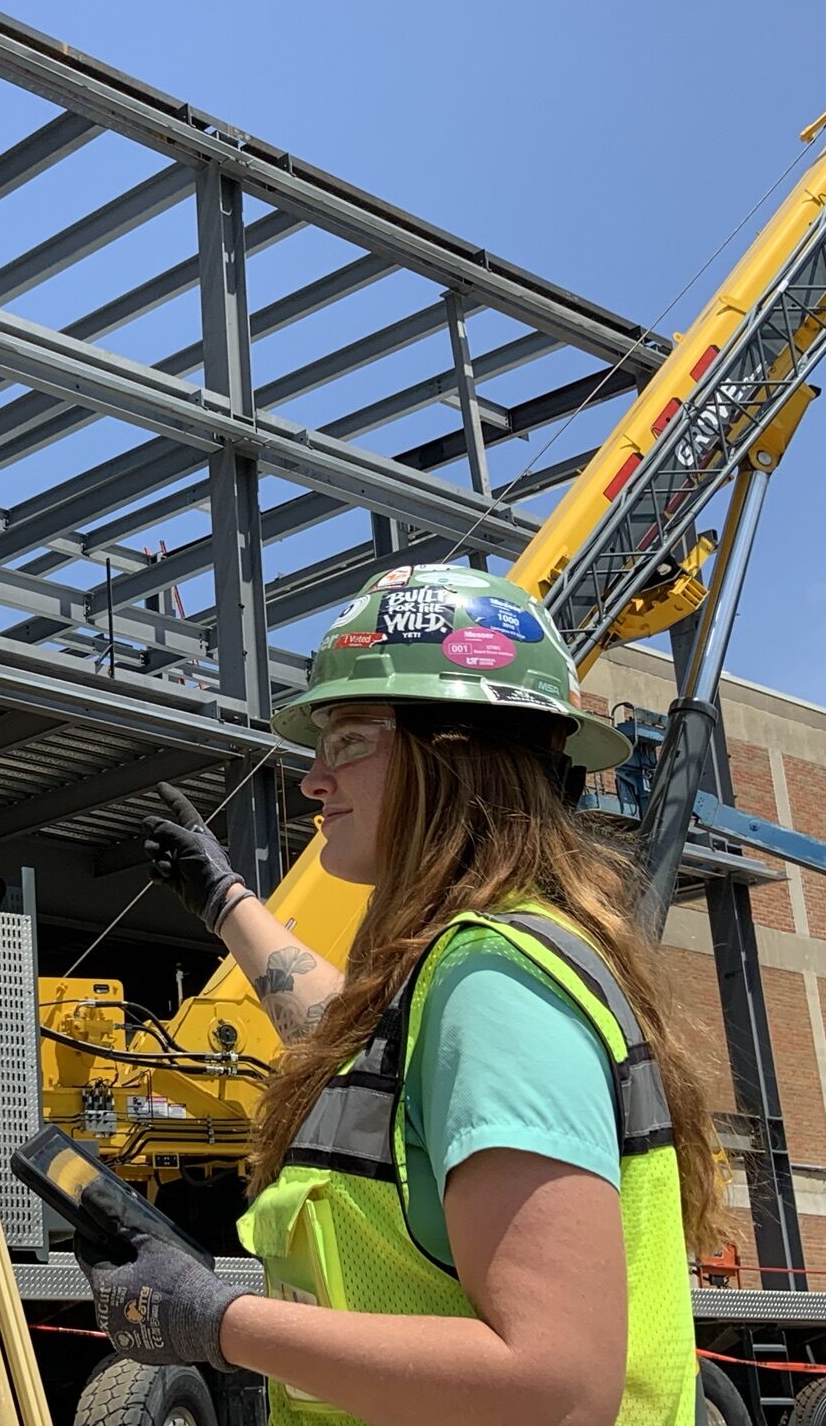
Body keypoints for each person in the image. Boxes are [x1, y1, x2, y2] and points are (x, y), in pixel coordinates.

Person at [79, 564, 724, 1426]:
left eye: (348, 740)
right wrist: (224, 901)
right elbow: (350, 1045)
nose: (313, 780)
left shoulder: (495, 982)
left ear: (452, 750)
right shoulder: (482, 965)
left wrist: (219, 1321)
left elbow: (556, 1383)